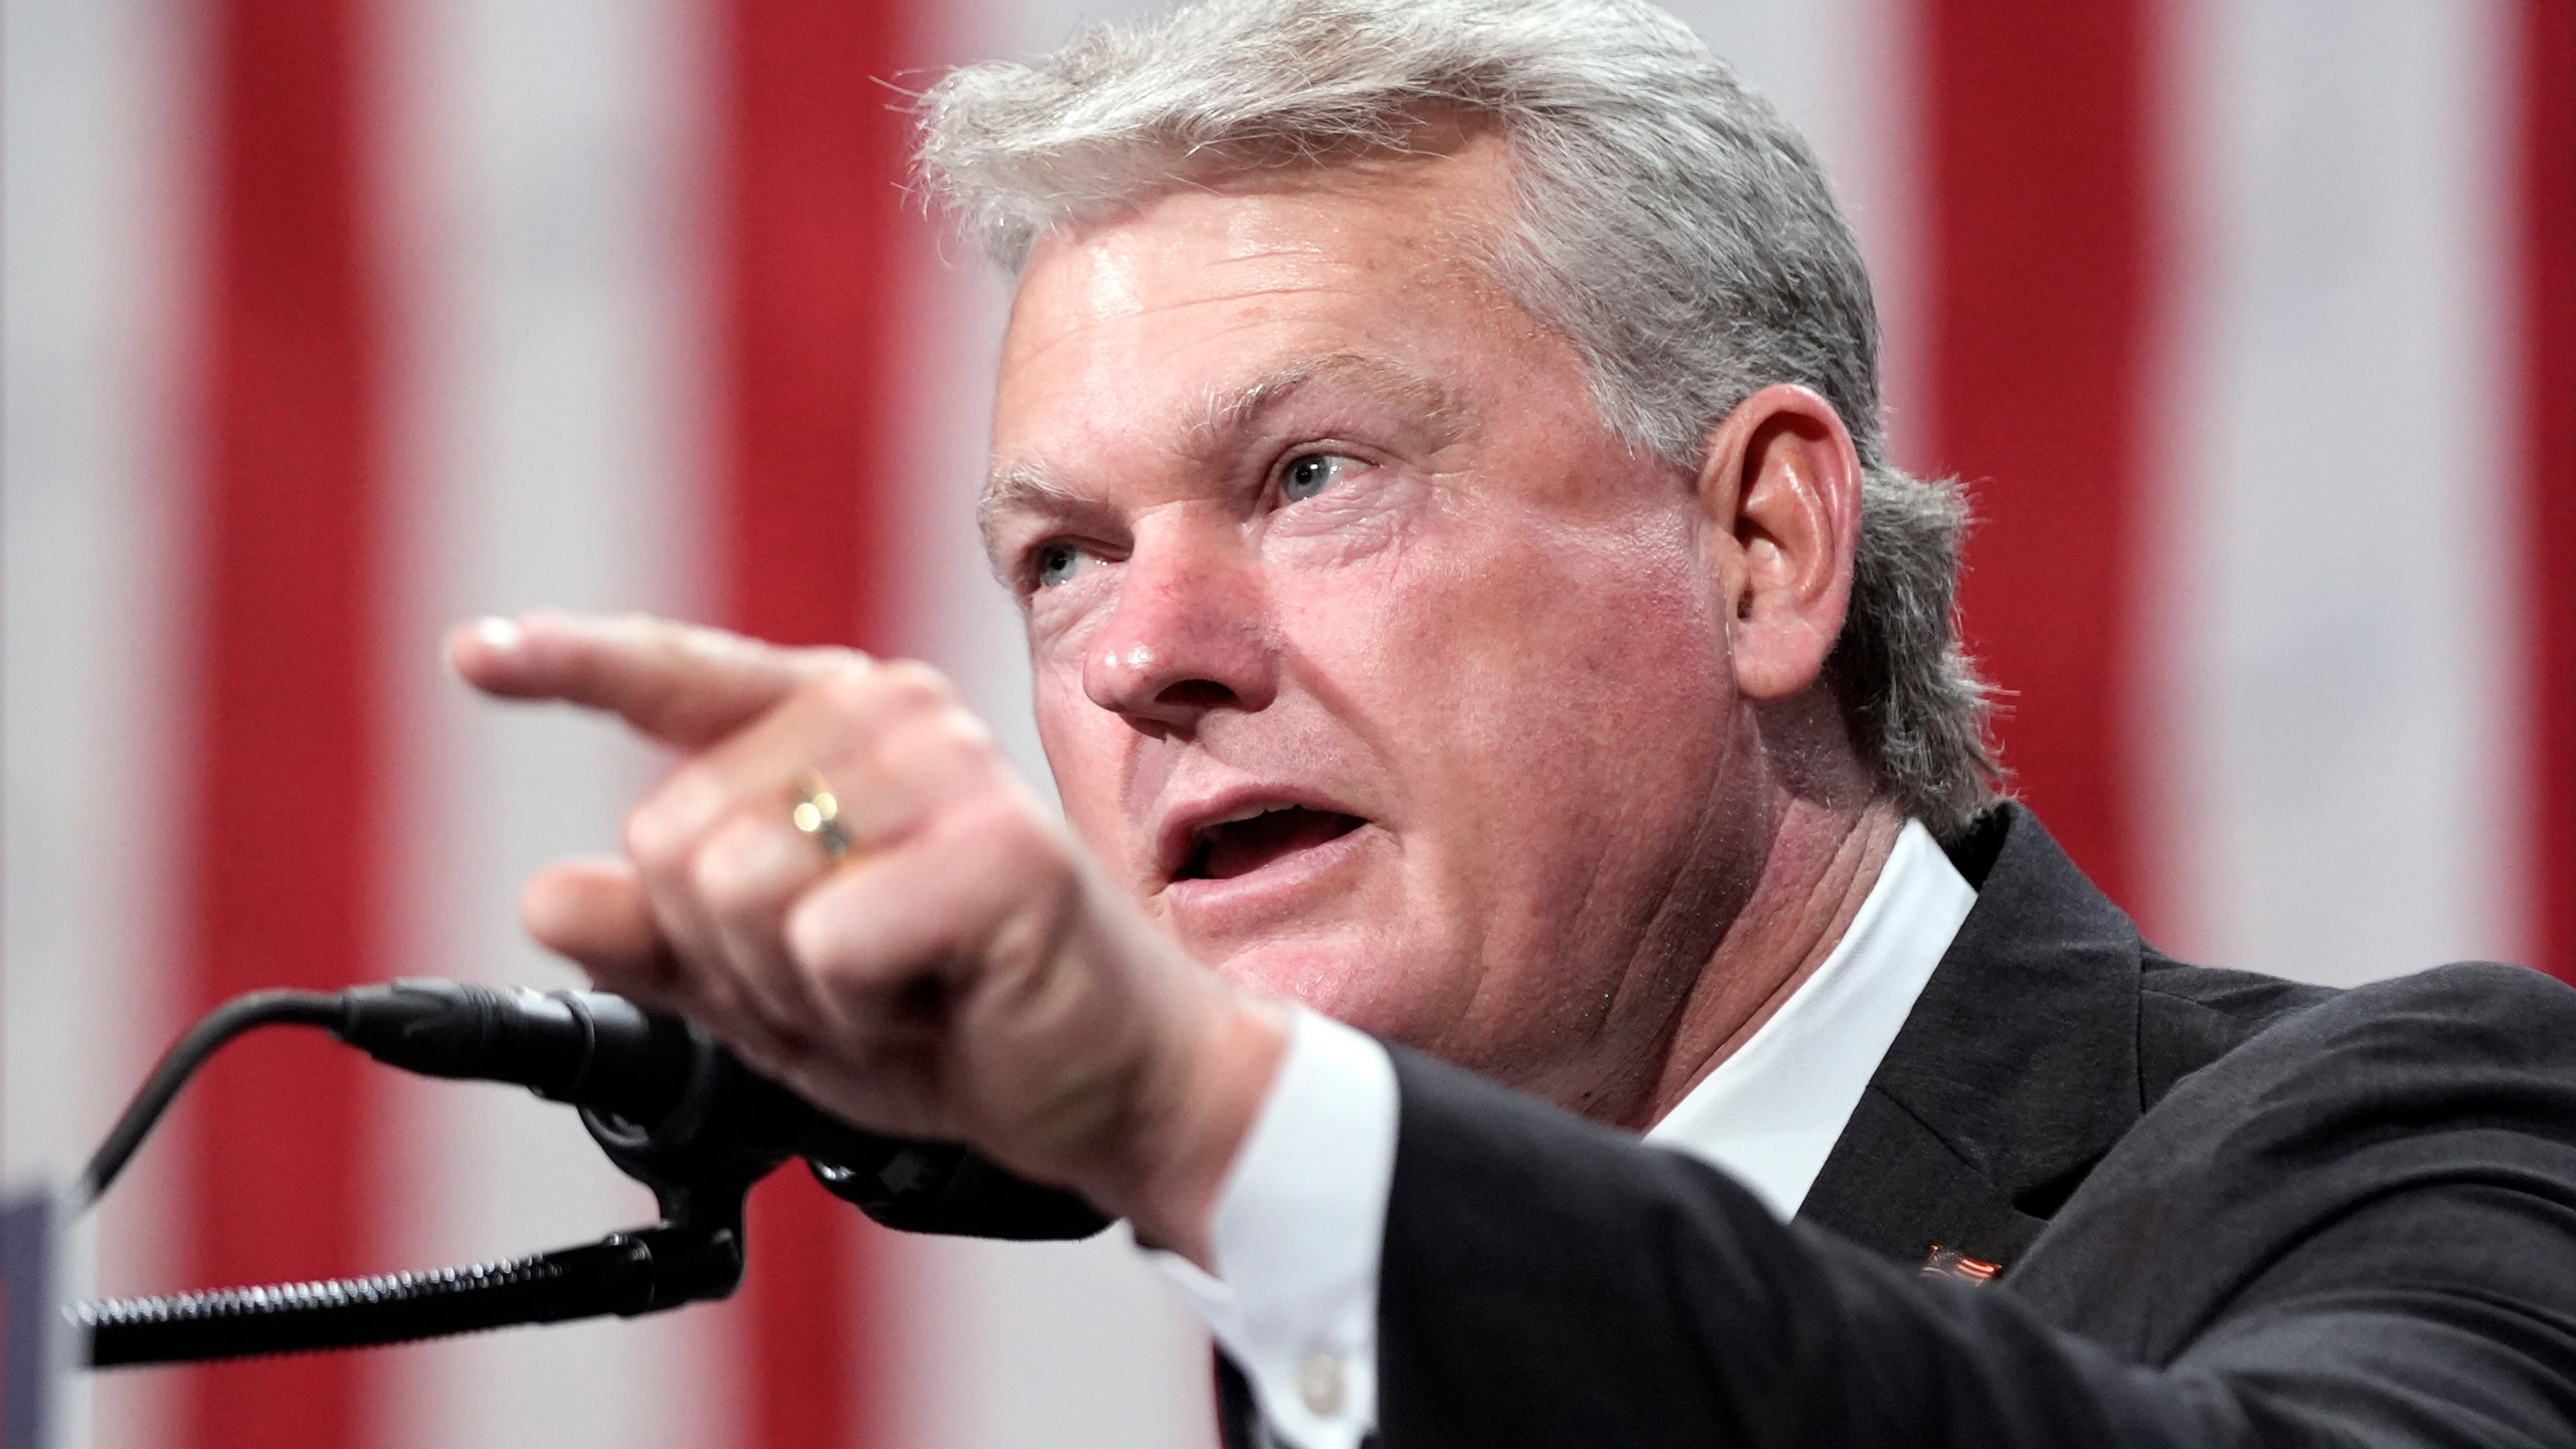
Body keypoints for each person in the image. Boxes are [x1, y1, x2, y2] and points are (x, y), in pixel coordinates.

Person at [449, 1, 2576, 1444]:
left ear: (1760, 548)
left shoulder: (2409, 1138)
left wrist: (1211, 1129)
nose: (1134, 657)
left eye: (1309, 475)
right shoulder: (1328, 1367)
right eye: (1062, 556)